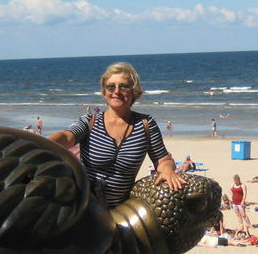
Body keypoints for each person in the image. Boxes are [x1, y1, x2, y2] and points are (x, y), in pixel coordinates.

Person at [48, 62, 183, 208]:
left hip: (122, 210)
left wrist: (168, 170)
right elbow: (67, 137)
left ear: (134, 91)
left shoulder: (145, 124)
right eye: (111, 86)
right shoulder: (90, 121)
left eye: (123, 86)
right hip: (83, 207)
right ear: (105, 92)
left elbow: (162, 160)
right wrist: (42, 143)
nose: (116, 91)